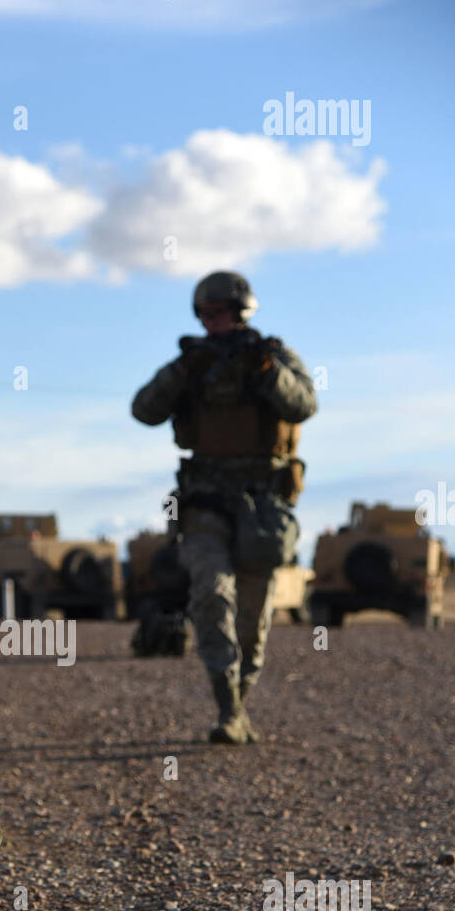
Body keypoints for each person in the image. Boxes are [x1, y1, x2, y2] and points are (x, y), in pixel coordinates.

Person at [131, 271, 317, 743]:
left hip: (263, 507)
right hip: (205, 501)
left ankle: (241, 697)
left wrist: (266, 370)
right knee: (212, 594)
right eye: (207, 314)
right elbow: (144, 409)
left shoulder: (271, 355)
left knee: (255, 618)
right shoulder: (191, 363)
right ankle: (227, 709)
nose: (215, 322)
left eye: (223, 313)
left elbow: (304, 404)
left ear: (240, 312)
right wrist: (182, 373)